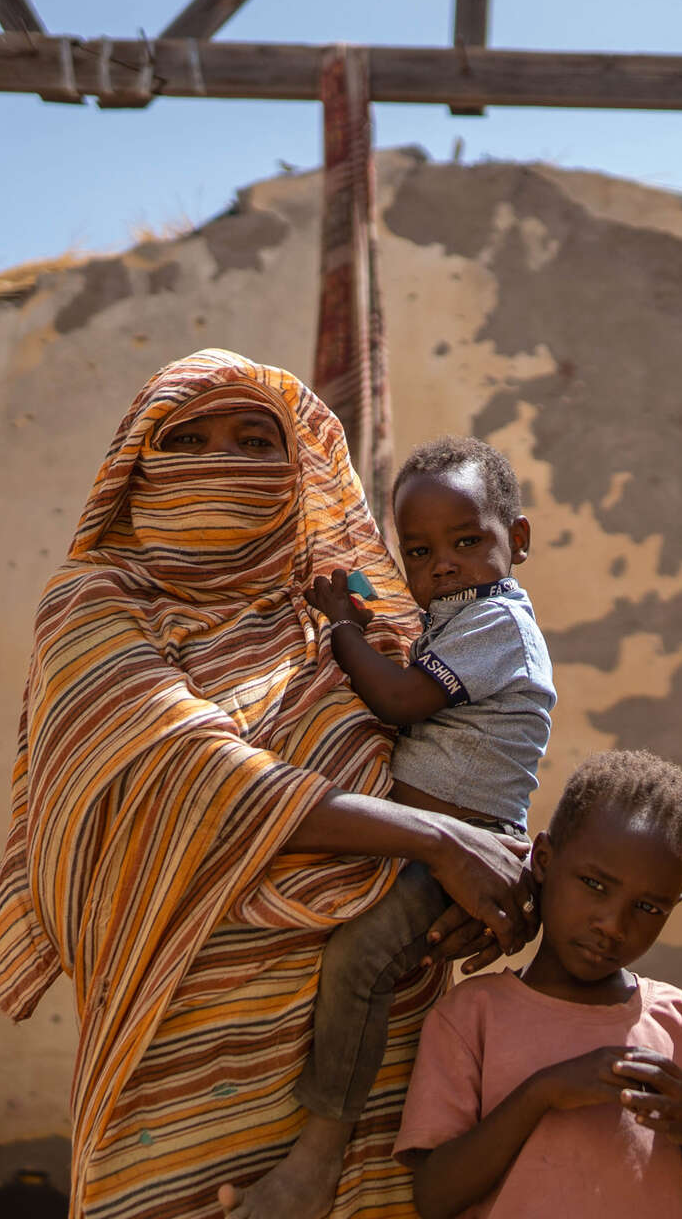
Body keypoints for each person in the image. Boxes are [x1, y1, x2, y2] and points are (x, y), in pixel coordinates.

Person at [0, 350, 535, 1219]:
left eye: (253, 441)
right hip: (183, 1047)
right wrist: (437, 841)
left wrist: (494, 871)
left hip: (379, 1060)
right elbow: (195, 773)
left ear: (296, 465)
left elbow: (464, 753)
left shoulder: (346, 619)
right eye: (190, 439)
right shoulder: (97, 603)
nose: (224, 463)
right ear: (140, 465)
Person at [237, 436, 554, 1217]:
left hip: (463, 842)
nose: (442, 562)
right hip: (432, 837)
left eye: (467, 541)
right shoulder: (456, 614)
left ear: (518, 540)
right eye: (418, 550)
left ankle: (320, 1150)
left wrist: (343, 628)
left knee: (359, 960)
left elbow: (406, 702)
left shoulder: (498, 623)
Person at [394, 750, 682, 1219]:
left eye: (649, 908)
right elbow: (435, 1198)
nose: (613, 925)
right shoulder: (472, 1016)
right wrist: (543, 1093)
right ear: (544, 860)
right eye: (595, 884)